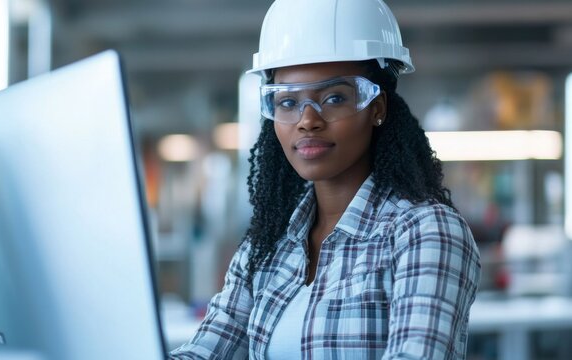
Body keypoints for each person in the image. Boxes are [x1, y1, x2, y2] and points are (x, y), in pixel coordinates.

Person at [169, 0, 481, 358]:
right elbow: (208, 349)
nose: (307, 120)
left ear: (376, 107)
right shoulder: (268, 245)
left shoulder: (424, 231)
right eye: (287, 102)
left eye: (333, 97)